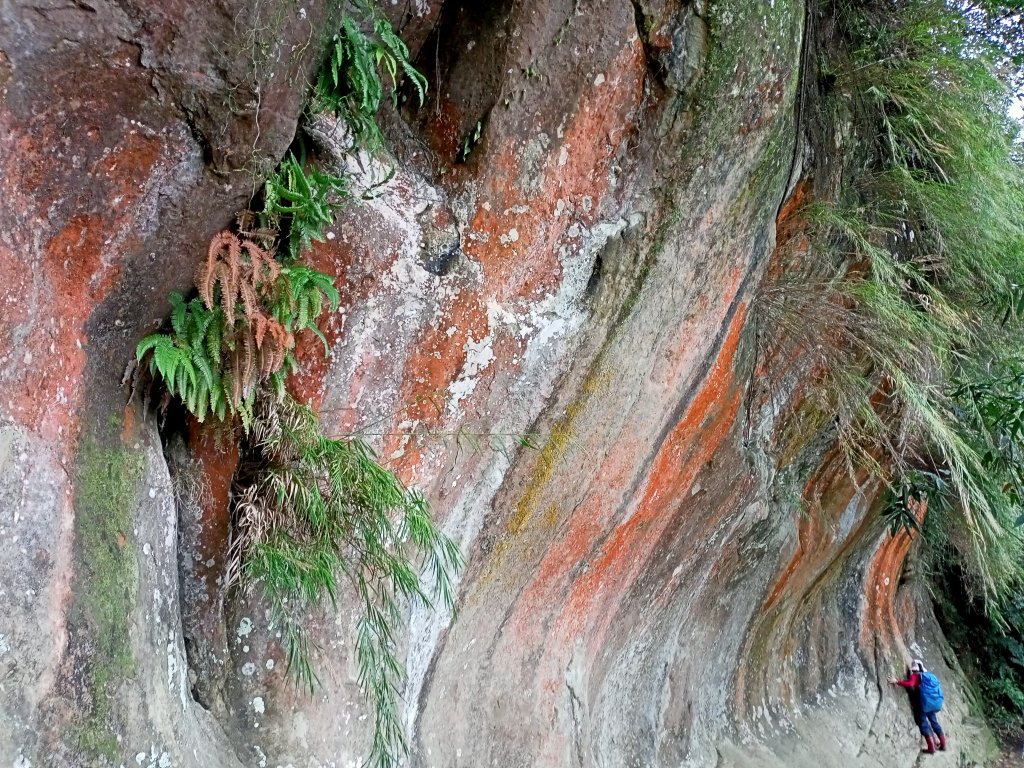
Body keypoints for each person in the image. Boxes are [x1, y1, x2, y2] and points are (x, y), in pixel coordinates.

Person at [888, 659, 947, 754]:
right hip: (932, 703)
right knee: (934, 723)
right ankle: (943, 745)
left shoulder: (915, 675)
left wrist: (897, 681)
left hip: (923, 704)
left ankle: (931, 748)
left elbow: (910, 684)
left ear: (913, 668)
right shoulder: (929, 676)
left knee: (924, 724)